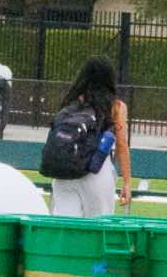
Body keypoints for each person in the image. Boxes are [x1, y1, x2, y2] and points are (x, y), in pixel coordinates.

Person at [49, 56, 131, 217]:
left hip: (64, 173)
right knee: (97, 228)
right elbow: (121, 145)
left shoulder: (70, 102)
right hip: (97, 172)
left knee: (66, 228)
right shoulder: (116, 106)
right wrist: (127, 182)